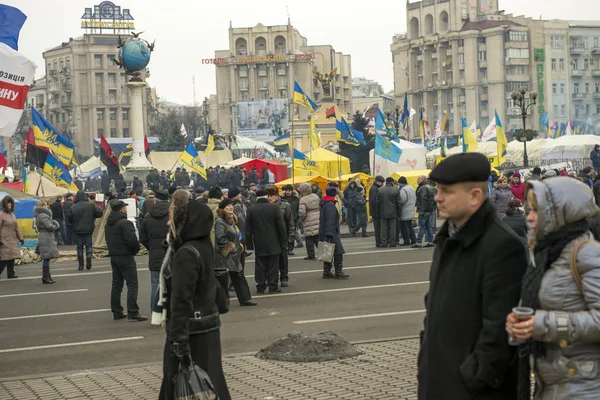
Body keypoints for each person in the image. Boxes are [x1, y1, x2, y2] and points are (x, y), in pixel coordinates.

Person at [418, 153, 527, 400]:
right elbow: (433, 308)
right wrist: (425, 360)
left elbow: (501, 330)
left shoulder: (503, 246)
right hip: (437, 379)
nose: (438, 197)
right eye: (437, 190)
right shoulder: (447, 238)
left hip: (474, 390)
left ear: (475, 196)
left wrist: (474, 377)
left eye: (446, 191)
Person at [505, 177, 600, 399]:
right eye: (529, 209)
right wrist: (519, 324)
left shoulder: (588, 253)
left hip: (585, 386)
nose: (529, 217)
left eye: (538, 210)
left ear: (563, 212)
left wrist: (541, 324)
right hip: (552, 384)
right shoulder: (547, 254)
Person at [156, 190, 231, 400]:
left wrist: (178, 339)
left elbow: (181, 300)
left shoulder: (186, 254)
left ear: (185, 222)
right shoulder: (204, 245)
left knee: (183, 385)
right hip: (208, 327)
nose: (168, 222)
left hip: (191, 332)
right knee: (210, 383)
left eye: (172, 218)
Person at [105, 199, 146, 322]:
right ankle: (133, 311)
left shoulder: (108, 224)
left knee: (116, 285)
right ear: (122, 209)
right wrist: (135, 250)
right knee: (132, 284)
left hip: (114, 256)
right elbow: (132, 240)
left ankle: (116, 311)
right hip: (126, 256)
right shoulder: (125, 223)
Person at [215, 199, 256, 306]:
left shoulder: (231, 219)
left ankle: (245, 299)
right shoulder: (220, 221)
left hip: (234, 255)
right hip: (226, 255)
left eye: (231, 205)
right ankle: (221, 302)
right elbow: (220, 238)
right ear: (222, 208)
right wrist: (230, 248)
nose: (231, 207)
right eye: (228, 206)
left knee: (238, 276)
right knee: (226, 278)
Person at [245, 189, 286, 294]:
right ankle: (273, 286)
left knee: (260, 264)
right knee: (273, 264)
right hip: (274, 240)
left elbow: (248, 229)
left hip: (259, 241)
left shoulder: (251, 209)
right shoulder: (274, 208)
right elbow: (281, 227)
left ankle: (261, 286)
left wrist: (249, 244)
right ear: (267, 196)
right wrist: (283, 241)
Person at [139, 190, 170, 313]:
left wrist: (151, 247)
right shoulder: (174, 214)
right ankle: (170, 313)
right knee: (174, 285)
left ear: (155, 201)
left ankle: (155, 312)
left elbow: (142, 238)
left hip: (155, 255)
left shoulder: (148, 216)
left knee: (155, 285)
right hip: (172, 255)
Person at [67, 191, 103, 271]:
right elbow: (100, 213)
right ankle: (89, 256)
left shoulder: (73, 207)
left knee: (79, 247)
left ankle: (81, 265)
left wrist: (73, 222)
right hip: (88, 228)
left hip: (77, 229)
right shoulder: (91, 205)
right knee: (89, 245)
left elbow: (69, 218)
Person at [266, 185, 294, 288]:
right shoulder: (266, 205)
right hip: (270, 237)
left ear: (277, 195)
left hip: (282, 236)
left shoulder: (285, 205)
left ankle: (284, 277)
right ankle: (271, 279)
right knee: (271, 260)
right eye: (269, 195)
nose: (270, 198)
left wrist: (291, 237)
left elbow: (290, 222)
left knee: (283, 259)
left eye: (272, 195)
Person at [319, 186, 349, 279]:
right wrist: (330, 232)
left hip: (325, 231)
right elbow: (330, 220)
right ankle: (338, 272)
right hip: (331, 231)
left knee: (328, 251)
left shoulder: (325, 203)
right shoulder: (330, 205)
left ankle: (326, 272)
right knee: (338, 252)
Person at [34, 199, 60, 284]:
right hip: (46, 237)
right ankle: (45, 277)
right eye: (45, 205)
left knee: (46, 257)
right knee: (46, 258)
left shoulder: (39, 215)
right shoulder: (43, 215)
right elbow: (49, 226)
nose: (47, 206)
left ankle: (47, 276)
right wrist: (56, 224)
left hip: (44, 236)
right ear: (42, 206)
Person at [0, 196, 23, 279]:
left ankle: (11, 273)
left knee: (12, 257)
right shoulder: (1, 215)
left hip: (12, 239)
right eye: (8, 203)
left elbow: (16, 227)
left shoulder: (12, 215)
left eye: (10, 203)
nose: (9, 205)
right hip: (3, 239)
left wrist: (21, 238)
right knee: (4, 258)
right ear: (4, 204)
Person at [298, 182, 320, 260]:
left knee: (309, 238)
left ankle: (311, 255)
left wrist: (302, 219)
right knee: (318, 237)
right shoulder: (316, 196)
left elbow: (302, 212)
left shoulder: (302, 199)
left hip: (308, 218)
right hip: (317, 216)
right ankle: (323, 252)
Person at [376, 177, 401, 248]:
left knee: (383, 229)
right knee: (392, 228)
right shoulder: (396, 190)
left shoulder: (380, 190)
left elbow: (377, 202)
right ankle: (392, 243)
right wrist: (399, 212)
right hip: (393, 212)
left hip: (383, 212)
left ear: (386, 182)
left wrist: (378, 212)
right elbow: (399, 203)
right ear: (392, 183)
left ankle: (384, 243)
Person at [413, 175, 436, 248]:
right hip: (429, 209)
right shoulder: (429, 187)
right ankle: (431, 241)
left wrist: (421, 211)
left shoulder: (423, 188)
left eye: (418, 179)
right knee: (428, 226)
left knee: (421, 226)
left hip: (424, 210)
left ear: (423, 179)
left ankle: (419, 242)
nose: (417, 180)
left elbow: (423, 200)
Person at [282, 184, 302, 251]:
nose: (288, 192)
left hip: (294, 219)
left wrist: (296, 217)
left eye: (289, 190)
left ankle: (290, 249)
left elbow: (299, 209)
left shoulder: (296, 199)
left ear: (292, 191)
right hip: (284, 219)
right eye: (286, 190)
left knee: (292, 234)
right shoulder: (282, 199)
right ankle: (286, 247)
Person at [397, 177, 417, 246]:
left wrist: (398, 205)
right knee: (410, 225)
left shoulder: (403, 189)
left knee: (404, 227)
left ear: (400, 183)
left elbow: (402, 200)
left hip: (404, 210)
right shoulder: (411, 188)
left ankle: (406, 241)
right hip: (411, 209)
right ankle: (414, 239)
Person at [369, 176, 385, 247]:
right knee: (378, 228)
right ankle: (378, 242)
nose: (382, 184)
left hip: (375, 211)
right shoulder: (374, 189)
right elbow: (373, 202)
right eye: (381, 182)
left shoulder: (374, 188)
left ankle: (379, 241)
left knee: (378, 227)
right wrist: (378, 211)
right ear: (377, 181)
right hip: (376, 212)